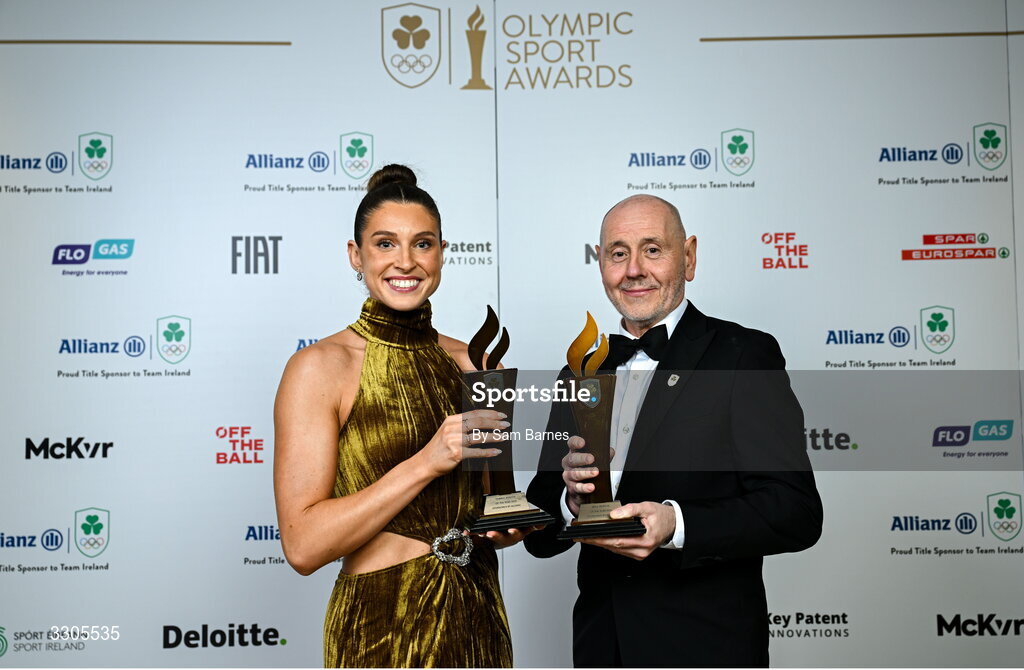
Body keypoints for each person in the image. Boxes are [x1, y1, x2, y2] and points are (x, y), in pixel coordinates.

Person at [525, 194, 823, 667]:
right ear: (600, 263)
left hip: (705, 649)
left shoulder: (743, 356)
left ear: (689, 257)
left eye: (653, 249)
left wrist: (676, 524)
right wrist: (568, 502)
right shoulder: (580, 371)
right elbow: (539, 530)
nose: (634, 269)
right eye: (618, 253)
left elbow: (796, 511)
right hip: (602, 648)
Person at [273, 164, 525, 668]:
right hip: (378, 629)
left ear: (442, 253)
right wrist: (427, 462)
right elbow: (303, 546)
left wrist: (514, 522)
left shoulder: (477, 364)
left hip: (478, 621)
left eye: (423, 244)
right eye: (385, 243)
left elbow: (500, 506)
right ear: (356, 255)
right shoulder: (320, 367)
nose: (405, 262)